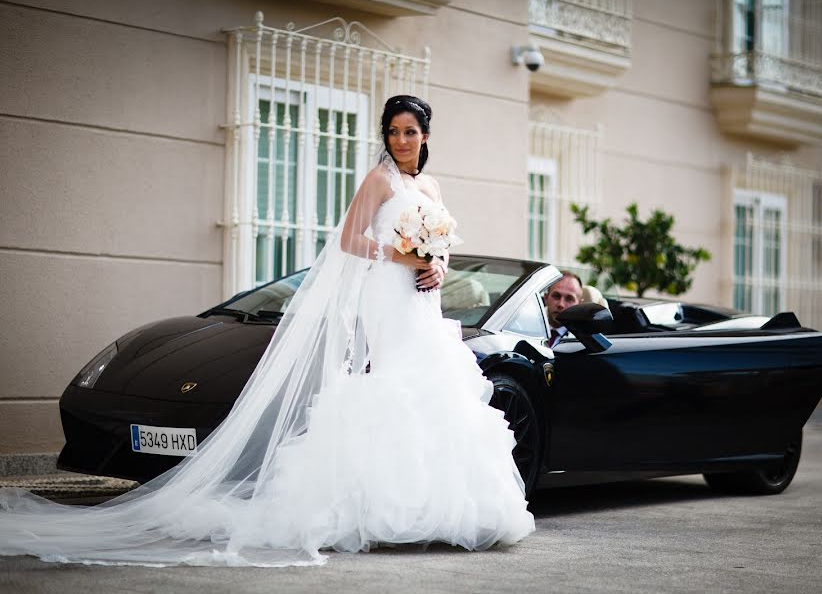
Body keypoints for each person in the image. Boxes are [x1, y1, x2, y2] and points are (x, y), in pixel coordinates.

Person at [0, 95, 535, 567]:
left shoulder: (431, 184)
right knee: (391, 385)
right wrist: (398, 255)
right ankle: (372, 509)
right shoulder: (378, 180)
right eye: (392, 131)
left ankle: (434, 509)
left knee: (430, 389)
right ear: (385, 136)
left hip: (423, 297)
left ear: (425, 136)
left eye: (410, 131)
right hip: (387, 297)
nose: (400, 140)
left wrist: (436, 264)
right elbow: (348, 240)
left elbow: (438, 245)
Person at [544, 272, 582, 348]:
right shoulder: (526, 328)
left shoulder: (583, 342)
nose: (561, 304)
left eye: (569, 299)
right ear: (546, 298)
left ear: (579, 305)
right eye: (556, 296)